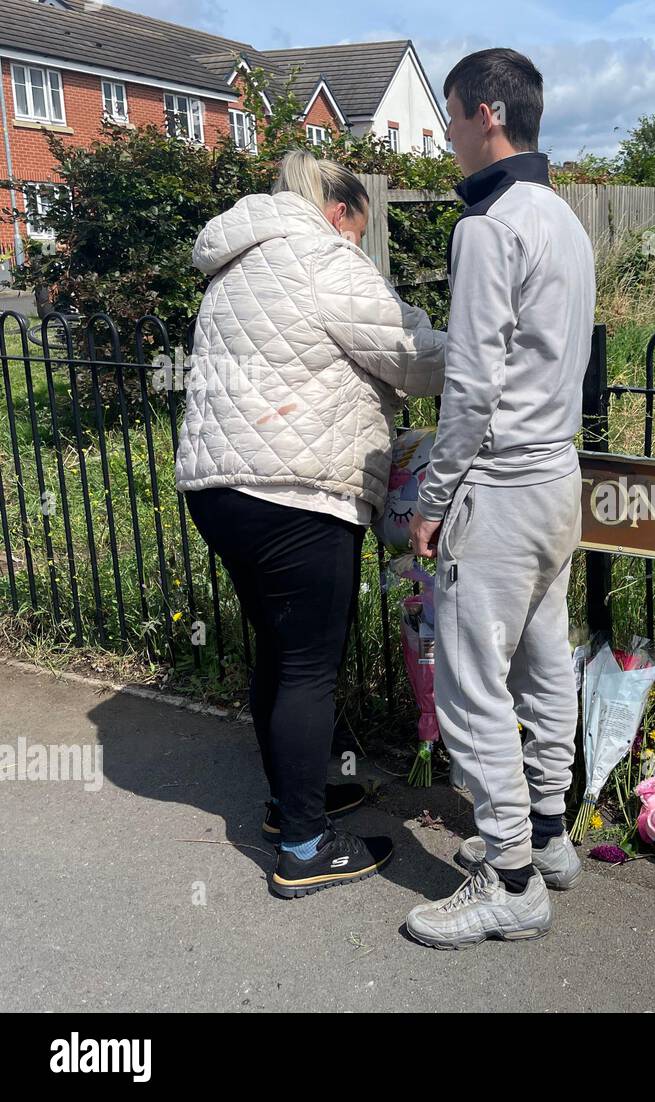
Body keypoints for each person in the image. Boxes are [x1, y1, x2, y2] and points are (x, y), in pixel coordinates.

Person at [175, 151, 445, 898]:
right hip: (293, 492)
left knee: (279, 652)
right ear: (339, 213)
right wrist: (485, 358)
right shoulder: (323, 257)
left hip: (218, 488)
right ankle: (302, 846)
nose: (359, 245)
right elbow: (413, 356)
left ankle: (291, 806)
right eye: (359, 231)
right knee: (306, 668)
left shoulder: (237, 263)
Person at [403, 48, 595, 949]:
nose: (444, 136)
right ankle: (550, 835)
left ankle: (511, 881)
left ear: (486, 113)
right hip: (559, 478)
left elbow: (471, 386)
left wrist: (434, 496)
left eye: (448, 117)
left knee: (473, 684)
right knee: (547, 660)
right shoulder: (565, 218)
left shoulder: (487, 226)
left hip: (502, 487)